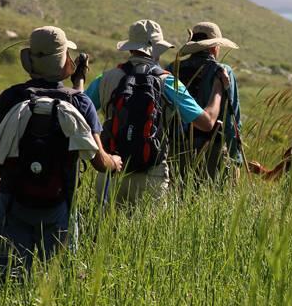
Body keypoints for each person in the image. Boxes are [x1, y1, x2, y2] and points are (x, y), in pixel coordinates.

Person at [0, 26, 123, 275]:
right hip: (60, 206)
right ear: (64, 61)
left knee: (8, 282)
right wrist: (115, 161)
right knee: (59, 284)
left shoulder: (10, 97)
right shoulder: (80, 102)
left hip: (13, 202)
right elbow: (99, 162)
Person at [82, 19, 229, 203]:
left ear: (131, 48)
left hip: (110, 172)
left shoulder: (104, 79)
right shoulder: (167, 81)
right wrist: (218, 87)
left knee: (105, 230)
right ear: (156, 49)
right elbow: (207, 123)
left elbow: (80, 116)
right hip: (152, 174)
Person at [169, 22, 243, 181]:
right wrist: (235, 159)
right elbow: (232, 119)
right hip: (212, 151)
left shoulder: (172, 69)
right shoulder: (222, 71)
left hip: (175, 150)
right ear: (215, 47)